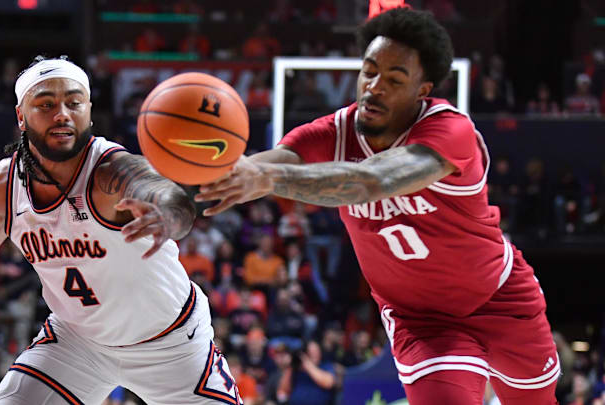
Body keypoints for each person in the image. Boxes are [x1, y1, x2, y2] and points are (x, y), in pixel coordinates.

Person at [196, 8, 559, 405]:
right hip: (420, 321)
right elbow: (252, 169)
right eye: (369, 71)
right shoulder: (332, 133)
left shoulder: (450, 130)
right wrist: (173, 203)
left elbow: (373, 181)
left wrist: (267, 180)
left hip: (499, 297)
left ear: (423, 90)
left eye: (394, 79)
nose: (374, 87)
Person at [0, 56, 242, 405]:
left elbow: (170, 197)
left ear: (89, 110)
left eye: (74, 103)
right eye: (46, 104)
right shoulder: (3, 185)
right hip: (78, 343)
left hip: (171, 345)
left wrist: (167, 214)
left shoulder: (111, 172)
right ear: (21, 116)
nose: (62, 113)